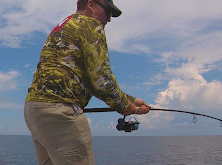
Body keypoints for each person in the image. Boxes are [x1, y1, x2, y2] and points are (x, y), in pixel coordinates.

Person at [24, 0, 150, 164]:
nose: (109, 19)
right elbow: (101, 80)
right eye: (108, 12)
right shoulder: (91, 25)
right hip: (61, 111)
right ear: (91, 5)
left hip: (35, 110)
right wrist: (126, 107)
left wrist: (131, 100)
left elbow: (90, 81)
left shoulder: (64, 27)